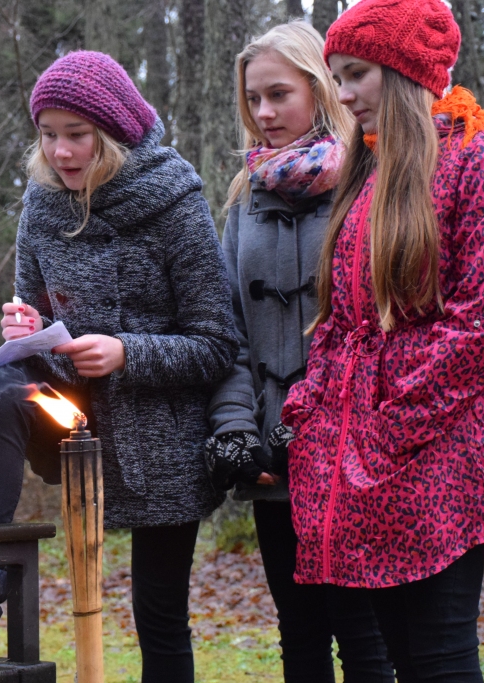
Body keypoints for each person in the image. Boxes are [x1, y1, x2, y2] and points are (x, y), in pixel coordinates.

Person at [0, 51, 239, 683]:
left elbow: (215, 343)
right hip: (73, 422)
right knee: (1, 384)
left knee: (160, 618)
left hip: (163, 445)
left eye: (77, 135)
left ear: (116, 134)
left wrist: (126, 351)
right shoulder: (40, 206)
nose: (62, 151)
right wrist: (28, 336)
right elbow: (41, 324)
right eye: (48, 134)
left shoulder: (176, 201)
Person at [277, 1, 484, 680]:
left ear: (402, 72)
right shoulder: (369, 171)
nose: (340, 95)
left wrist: (390, 419)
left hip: (443, 453)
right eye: (336, 76)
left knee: (437, 656)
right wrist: (315, 406)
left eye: (356, 75)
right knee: (401, 653)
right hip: (371, 461)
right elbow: (344, 319)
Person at [204, 21, 394, 683]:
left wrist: (319, 429)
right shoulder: (243, 197)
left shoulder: (371, 185)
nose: (263, 113)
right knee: (300, 633)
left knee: (366, 639)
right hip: (270, 463)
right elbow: (227, 333)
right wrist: (237, 430)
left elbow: (382, 331)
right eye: (253, 98)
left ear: (321, 89)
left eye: (278, 94)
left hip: (354, 457)